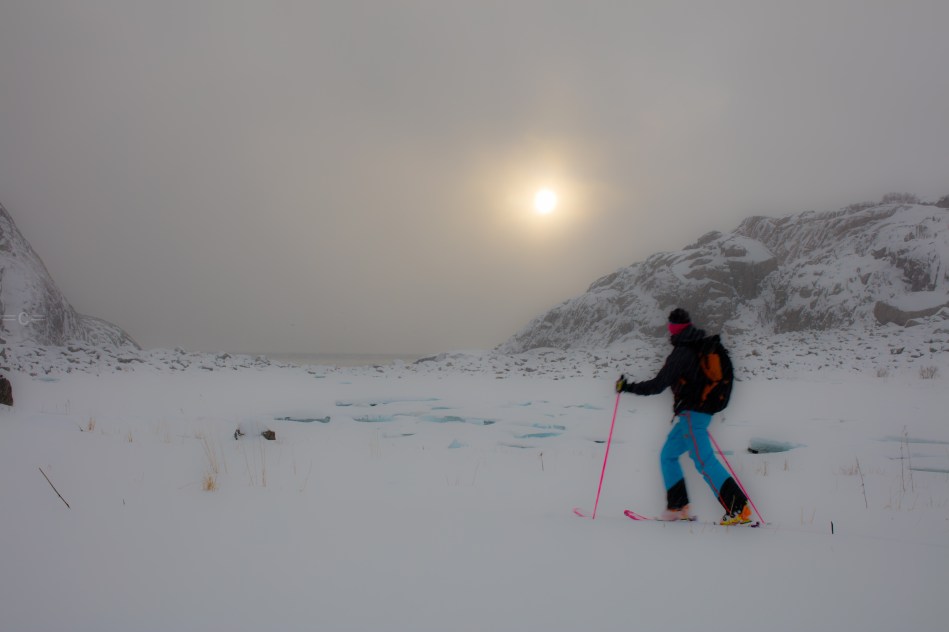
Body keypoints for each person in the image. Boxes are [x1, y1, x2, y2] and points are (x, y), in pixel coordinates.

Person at [615, 308, 752, 525]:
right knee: (668, 455)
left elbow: (657, 385)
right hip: (694, 415)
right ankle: (678, 507)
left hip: (693, 416)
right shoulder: (697, 347)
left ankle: (738, 509)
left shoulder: (682, 353)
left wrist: (627, 387)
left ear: (673, 329)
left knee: (704, 462)